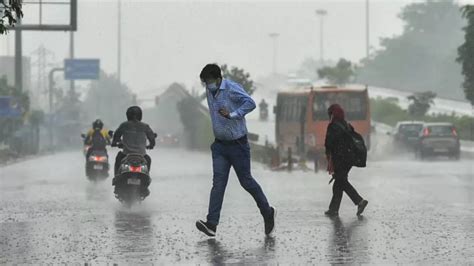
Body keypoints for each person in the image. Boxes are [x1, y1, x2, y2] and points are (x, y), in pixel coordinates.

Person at [195, 64, 276, 237]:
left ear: (218, 79)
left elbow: (251, 103)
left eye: (209, 81)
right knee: (218, 184)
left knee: (246, 182)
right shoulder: (209, 92)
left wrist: (232, 114)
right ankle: (212, 224)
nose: (208, 85)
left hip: (238, 145)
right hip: (219, 146)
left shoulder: (231, 88)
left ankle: (267, 212)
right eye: (205, 82)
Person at [324, 104, 368, 217]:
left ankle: (359, 201)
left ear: (333, 114)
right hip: (350, 159)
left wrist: (328, 155)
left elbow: (329, 143)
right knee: (339, 182)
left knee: (341, 181)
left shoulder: (333, 126)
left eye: (330, 113)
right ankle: (333, 209)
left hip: (340, 158)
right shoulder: (346, 125)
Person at [111, 106, 156, 180]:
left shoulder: (124, 125)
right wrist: (151, 145)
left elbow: (116, 135)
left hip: (126, 154)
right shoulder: (145, 126)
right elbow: (152, 138)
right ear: (140, 115)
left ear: (128, 115)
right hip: (142, 155)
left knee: (118, 158)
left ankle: (116, 178)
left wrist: (114, 143)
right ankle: (146, 178)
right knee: (148, 159)